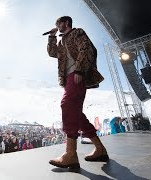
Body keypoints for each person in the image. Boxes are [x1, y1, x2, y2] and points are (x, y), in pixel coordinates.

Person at [46, 16, 109, 168]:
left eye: (58, 23)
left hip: (77, 74)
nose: (56, 25)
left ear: (66, 23)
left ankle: (71, 154)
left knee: (66, 104)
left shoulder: (78, 32)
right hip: (68, 77)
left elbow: (86, 49)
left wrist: (79, 70)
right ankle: (100, 149)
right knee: (77, 114)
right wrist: (52, 37)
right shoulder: (61, 41)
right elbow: (52, 53)